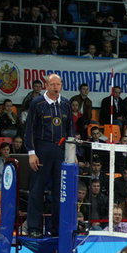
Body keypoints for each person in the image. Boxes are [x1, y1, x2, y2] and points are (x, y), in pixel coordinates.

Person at [24, 74, 73, 237]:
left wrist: (72, 153)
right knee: (37, 189)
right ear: (46, 85)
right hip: (41, 148)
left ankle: (57, 228)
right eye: (52, 84)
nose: (55, 87)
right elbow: (29, 129)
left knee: (60, 191)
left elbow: (70, 130)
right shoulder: (37, 103)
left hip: (60, 150)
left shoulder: (65, 104)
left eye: (58, 84)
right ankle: (34, 228)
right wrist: (31, 153)